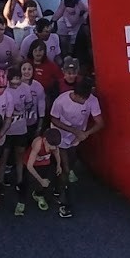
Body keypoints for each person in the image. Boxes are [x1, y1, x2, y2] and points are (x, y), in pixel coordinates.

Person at [49, 78, 104, 217]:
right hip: (60, 136)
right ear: (76, 94)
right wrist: (74, 131)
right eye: (83, 99)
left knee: (70, 163)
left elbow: (100, 122)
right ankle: (64, 202)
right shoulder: (61, 101)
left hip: (75, 139)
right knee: (66, 169)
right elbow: (54, 119)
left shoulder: (91, 99)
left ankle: (58, 185)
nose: (85, 102)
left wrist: (85, 134)